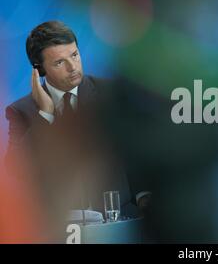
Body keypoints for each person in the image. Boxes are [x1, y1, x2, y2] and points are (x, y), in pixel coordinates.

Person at [3, 21, 151, 241]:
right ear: (39, 69)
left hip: (120, 223)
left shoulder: (110, 95)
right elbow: (15, 170)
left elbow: (140, 152)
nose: (73, 67)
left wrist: (145, 200)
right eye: (60, 62)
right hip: (56, 232)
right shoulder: (22, 111)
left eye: (75, 55)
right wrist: (46, 116)